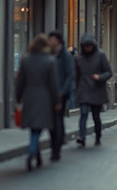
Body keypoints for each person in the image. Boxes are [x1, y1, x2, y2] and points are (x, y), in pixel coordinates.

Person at [16, 35, 62, 171]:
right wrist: (57, 101)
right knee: (37, 129)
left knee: (34, 127)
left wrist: (18, 97)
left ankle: (38, 155)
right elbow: (54, 84)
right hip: (44, 97)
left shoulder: (26, 60)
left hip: (29, 97)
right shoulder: (50, 61)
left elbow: (21, 82)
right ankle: (31, 153)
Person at [74, 34, 113, 147]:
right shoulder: (79, 58)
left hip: (97, 89)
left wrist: (99, 77)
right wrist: (77, 91)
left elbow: (108, 72)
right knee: (84, 113)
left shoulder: (100, 55)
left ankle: (98, 135)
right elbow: (76, 76)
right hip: (84, 89)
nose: (87, 48)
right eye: (85, 46)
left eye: (89, 46)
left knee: (96, 115)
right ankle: (82, 137)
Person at [47, 32, 74, 161]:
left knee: (57, 119)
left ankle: (56, 150)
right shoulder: (48, 54)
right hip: (49, 93)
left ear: (58, 41)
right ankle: (56, 142)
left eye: (52, 39)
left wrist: (63, 91)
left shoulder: (65, 56)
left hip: (62, 94)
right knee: (52, 121)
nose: (50, 42)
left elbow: (69, 75)